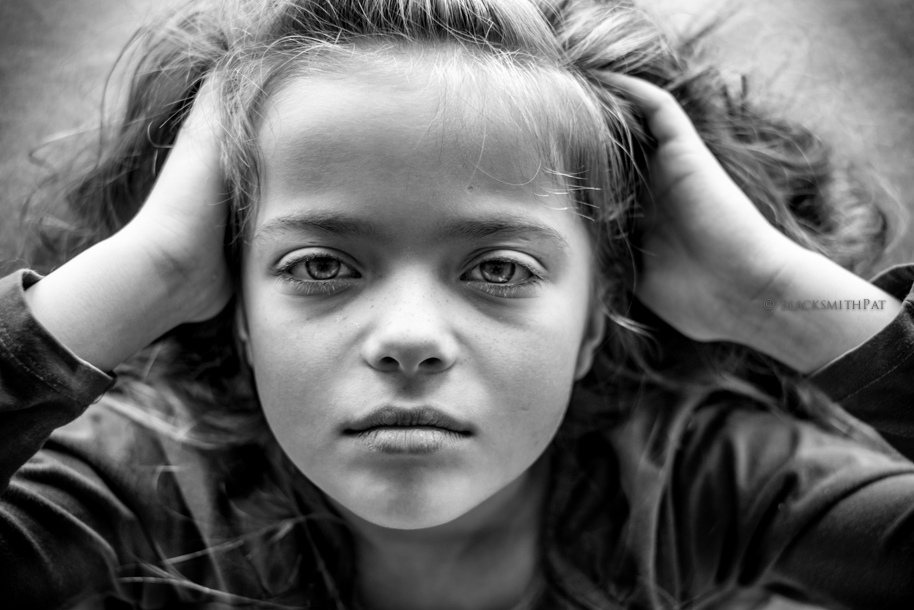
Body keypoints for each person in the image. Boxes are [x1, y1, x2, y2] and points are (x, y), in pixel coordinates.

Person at [1, 0, 913, 608]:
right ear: (235, 305)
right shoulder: (143, 486)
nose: (408, 340)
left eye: (500, 270)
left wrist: (773, 297)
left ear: (595, 320)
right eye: (321, 266)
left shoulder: (706, 482)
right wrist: (148, 269)